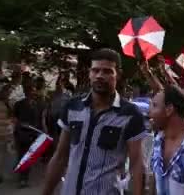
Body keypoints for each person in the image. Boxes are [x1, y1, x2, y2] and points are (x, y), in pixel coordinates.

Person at [42, 48, 147, 195]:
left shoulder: (130, 114)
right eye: (95, 70)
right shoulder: (73, 107)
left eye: (107, 71)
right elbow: (60, 157)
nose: (99, 76)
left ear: (118, 75)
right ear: (89, 73)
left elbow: (136, 164)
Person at [13, 78, 46, 188]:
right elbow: (15, 118)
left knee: (28, 156)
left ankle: (24, 178)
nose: (33, 93)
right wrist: (17, 128)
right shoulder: (19, 104)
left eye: (33, 90)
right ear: (26, 92)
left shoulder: (38, 105)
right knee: (22, 155)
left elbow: (40, 120)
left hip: (32, 133)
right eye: (31, 91)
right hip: (21, 133)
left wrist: (41, 131)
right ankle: (22, 178)